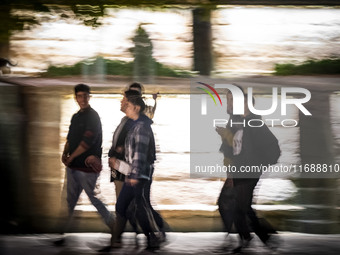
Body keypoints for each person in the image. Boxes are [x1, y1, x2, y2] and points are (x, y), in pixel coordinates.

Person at [216, 88, 280, 253]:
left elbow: (273, 148)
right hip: (239, 169)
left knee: (240, 206)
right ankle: (259, 236)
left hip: (250, 170)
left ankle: (249, 238)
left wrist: (260, 164)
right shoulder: (237, 121)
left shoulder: (255, 123)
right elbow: (234, 148)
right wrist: (226, 137)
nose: (233, 105)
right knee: (235, 204)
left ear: (248, 104)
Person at [55, 84, 114, 245]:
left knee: (94, 198)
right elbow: (70, 138)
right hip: (73, 167)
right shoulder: (76, 117)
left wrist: (71, 157)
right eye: (79, 96)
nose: (83, 99)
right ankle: (62, 235)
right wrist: (64, 153)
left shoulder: (93, 116)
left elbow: (87, 143)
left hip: (87, 168)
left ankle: (115, 227)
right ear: (76, 98)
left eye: (85, 96)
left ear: (89, 97)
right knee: (69, 201)